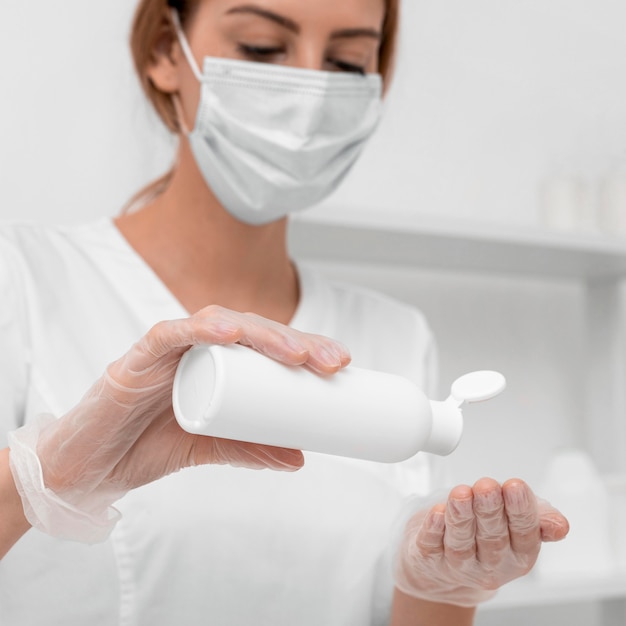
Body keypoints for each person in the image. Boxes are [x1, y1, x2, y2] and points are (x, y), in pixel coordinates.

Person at [0, 0, 569, 624]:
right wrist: (43, 480)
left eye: (347, 63)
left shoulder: (395, 336)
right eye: (262, 49)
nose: (309, 95)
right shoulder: (24, 279)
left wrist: (447, 588)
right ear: (167, 51)